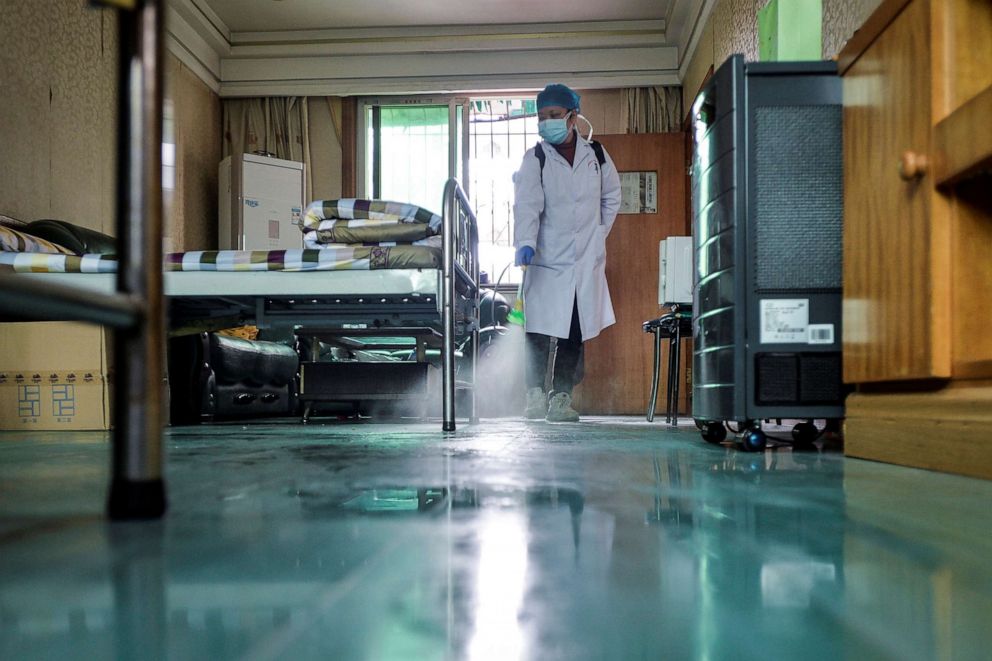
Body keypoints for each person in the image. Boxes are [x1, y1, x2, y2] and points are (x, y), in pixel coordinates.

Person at [512, 83, 621, 422]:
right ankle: (534, 396)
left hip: (583, 260)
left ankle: (561, 398)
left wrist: (596, 233)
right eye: (542, 117)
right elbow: (527, 204)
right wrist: (525, 242)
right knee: (539, 332)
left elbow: (612, 197)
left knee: (573, 332)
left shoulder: (597, 156)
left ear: (573, 117)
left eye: (554, 116)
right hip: (545, 258)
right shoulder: (536, 157)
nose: (547, 122)